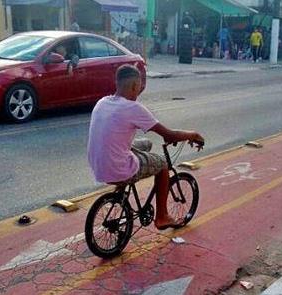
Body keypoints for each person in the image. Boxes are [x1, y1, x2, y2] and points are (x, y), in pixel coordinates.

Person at [87, 65, 205, 230]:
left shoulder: (103, 102)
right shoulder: (133, 108)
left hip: (99, 166)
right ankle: (162, 217)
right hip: (117, 168)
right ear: (135, 86)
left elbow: (132, 93)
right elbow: (169, 135)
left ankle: (121, 191)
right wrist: (193, 135)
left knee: (146, 144)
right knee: (163, 164)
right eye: (139, 87)